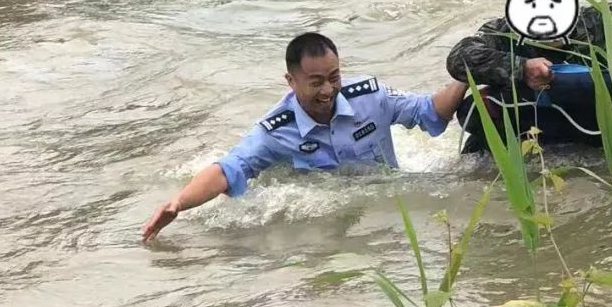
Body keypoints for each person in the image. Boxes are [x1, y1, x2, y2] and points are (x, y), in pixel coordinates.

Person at [142, 32, 467, 242]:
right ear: (291, 80)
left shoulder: (370, 97)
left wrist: (466, 77)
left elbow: (430, 112)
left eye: (334, 77)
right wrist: (179, 203)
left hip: (385, 212)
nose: (327, 90)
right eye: (315, 82)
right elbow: (228, 169)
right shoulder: (276, 131)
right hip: (324, 226)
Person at [446, 0, 612, 156]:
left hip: (592, 123)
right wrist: (521, 68)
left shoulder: (593, 21)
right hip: (523, 124)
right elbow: (459, 57)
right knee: (474, 109)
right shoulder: (504, 31)